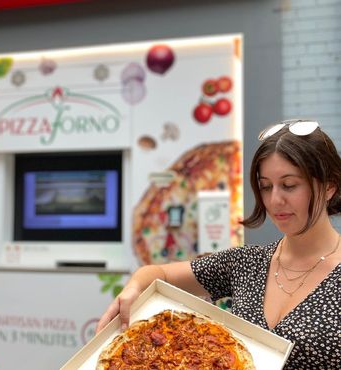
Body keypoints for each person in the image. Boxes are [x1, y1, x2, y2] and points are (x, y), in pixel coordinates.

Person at [96, 119, 341, 369]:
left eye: (289, 185)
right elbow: (158, 274)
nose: (275, 199)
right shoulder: (247, 263)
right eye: (266, 187)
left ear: (330, 186)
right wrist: (134, 287)